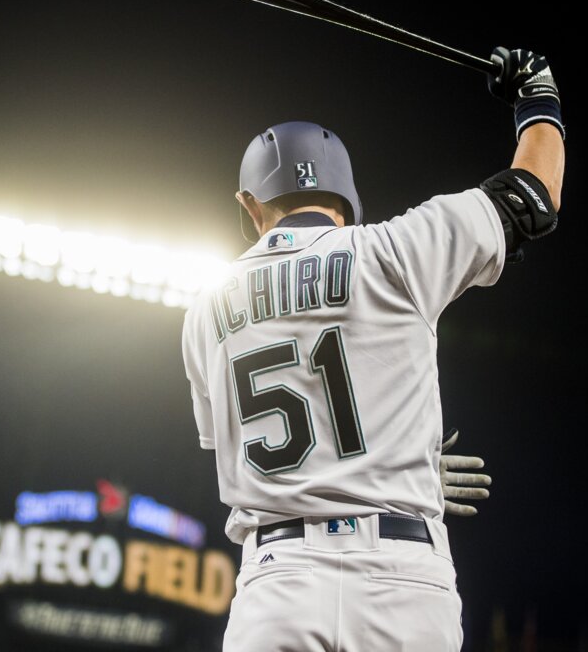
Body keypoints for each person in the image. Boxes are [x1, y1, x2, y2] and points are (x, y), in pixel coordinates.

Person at [181, 47, 565, 651]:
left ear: (249, 205)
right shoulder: (394, 250)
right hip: (403, 576)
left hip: (278, 582)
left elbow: (234, 450)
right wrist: (537, 98)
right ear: (347, 196)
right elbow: (533, 196)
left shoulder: (206, 306)